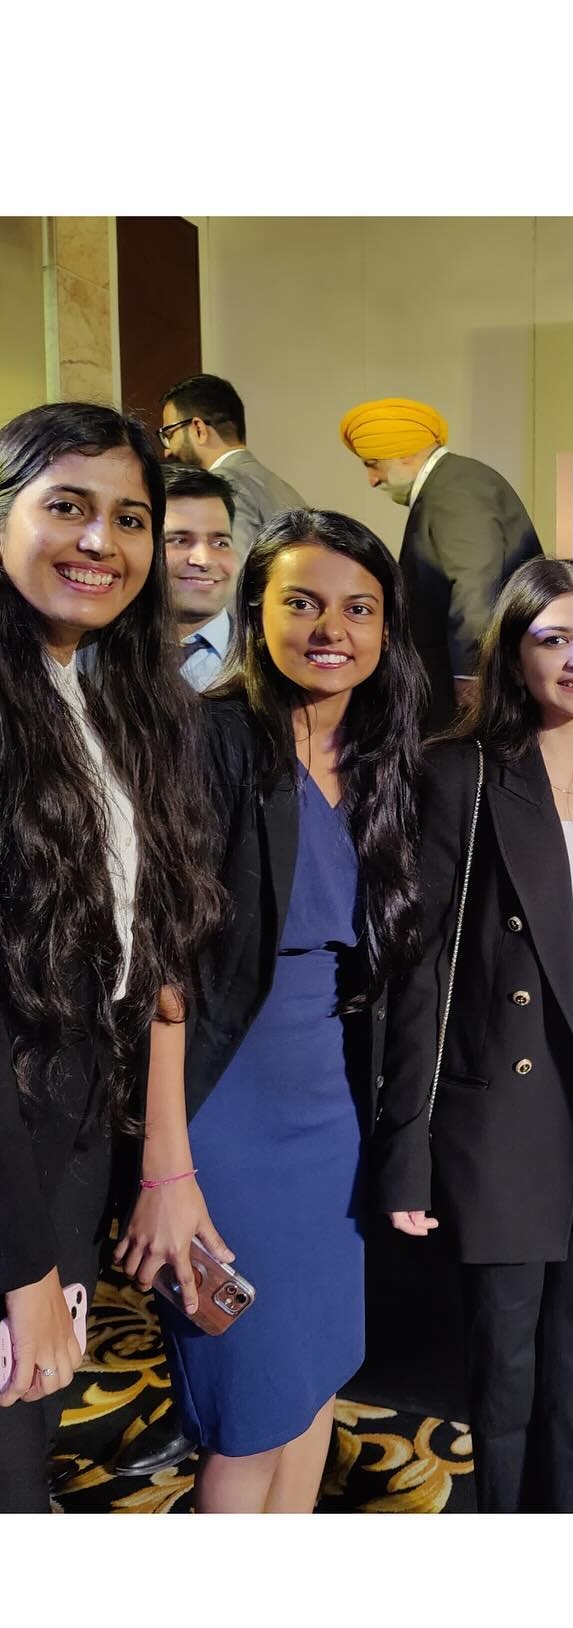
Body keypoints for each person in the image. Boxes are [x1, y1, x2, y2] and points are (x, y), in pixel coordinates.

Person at [116, 507, 427, 1513]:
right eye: (302, 602)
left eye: (358, 608)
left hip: (333, 1122)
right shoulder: (207, 738)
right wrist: (168, 1169)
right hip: (224, 1120)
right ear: (256, 612)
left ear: (387, 627)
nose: (330, 628)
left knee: (315, 1380)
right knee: (248, 1411)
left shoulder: (384, 758)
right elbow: (164, 971)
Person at [373, 557, 573, 1513]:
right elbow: (421, 976)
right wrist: (406, 1150)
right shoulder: (457, 775)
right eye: (554, 639)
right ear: (514, 656)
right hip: (499, 1111)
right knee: (504, 1369)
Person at [0, 402, 222, 1513]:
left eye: (130, 518)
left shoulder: (128, 702)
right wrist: (24, 1270)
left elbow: (157, 946)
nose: (101, 541)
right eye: (67, 507)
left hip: (70, 1137)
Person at [338, 397, 542, 733]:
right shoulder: (453, 483)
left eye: (374, 464)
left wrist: (471, 675)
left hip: (466, 688)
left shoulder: (455, 490)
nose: (372, 480)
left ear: (406, 454)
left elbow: (474, 585)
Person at [159, 374, 306, 565]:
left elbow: (231, 572)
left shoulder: (224, 486)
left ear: (199, 429)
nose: (167, 451)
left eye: (169, 434)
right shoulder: (284, 489)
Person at [162, 464, 238, 691]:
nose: (204, 560)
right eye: (180, 541)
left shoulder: (271, 662)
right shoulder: (87, 655)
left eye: (220, 543)